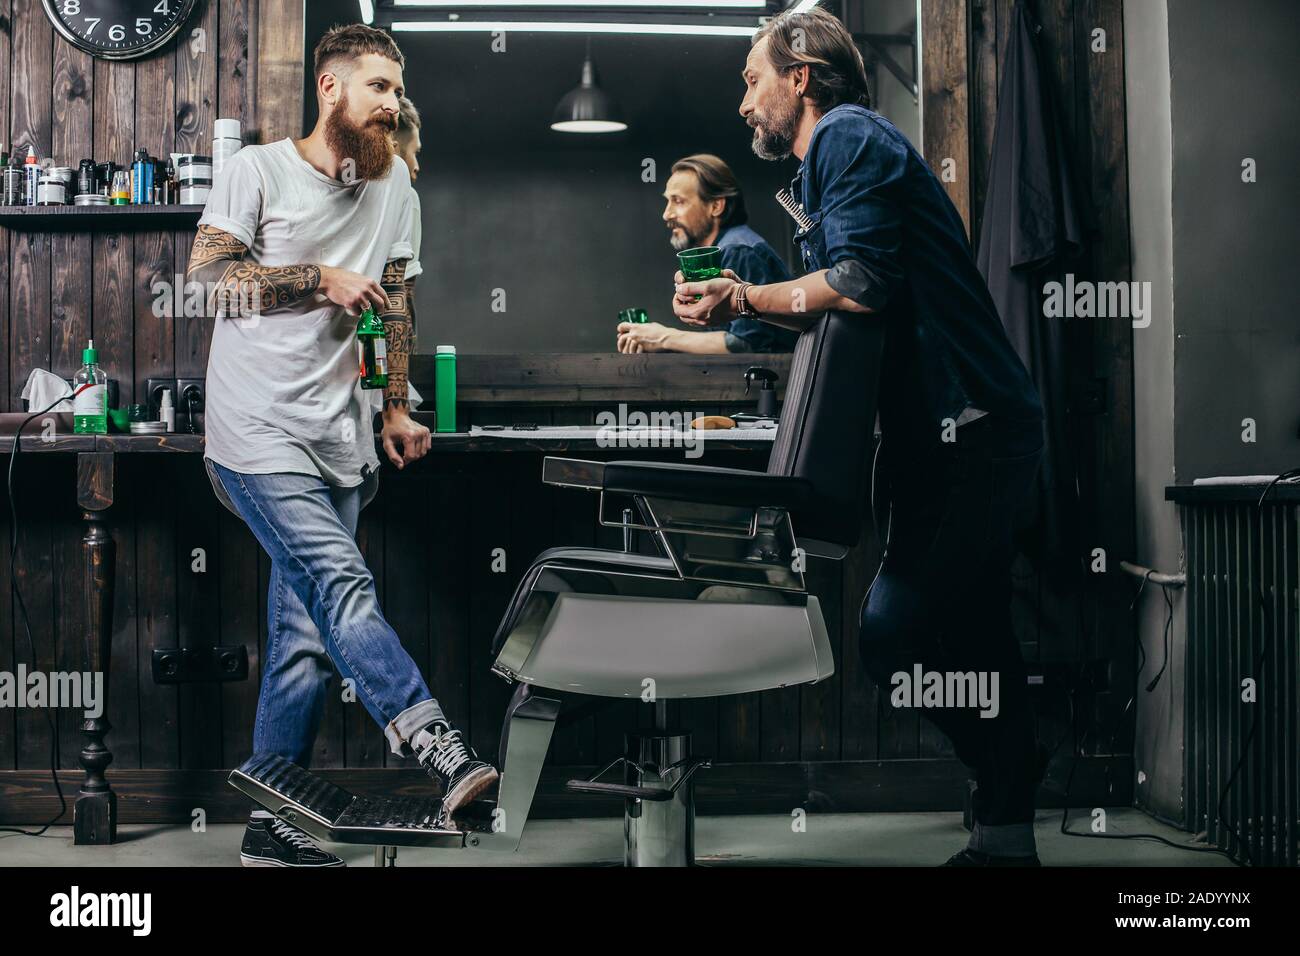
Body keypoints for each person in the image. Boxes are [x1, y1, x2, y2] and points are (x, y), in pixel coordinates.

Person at [671, 7, 1049, 866]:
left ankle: (1016, 764)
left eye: (751, 78)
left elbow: (861, 284)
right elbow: (841, 300)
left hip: (974, 424)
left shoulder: (846, 135)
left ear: (800, 75)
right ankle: (1007, 834)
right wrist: (748, 301)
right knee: (977, 631)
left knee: (895, 635)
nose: (744, 102)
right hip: (939, 431)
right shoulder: (829, 163)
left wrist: (744, 296)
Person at [188, 23, 496, 868]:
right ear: (331, 90)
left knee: (304, 643)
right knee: (340, 580)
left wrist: (396, 407)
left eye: (398, 90)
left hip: (339, 435)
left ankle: (271, 832)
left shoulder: (397, 186)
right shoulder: (257, 170)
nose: (394, 105)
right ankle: (434, 742)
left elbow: (395, 304)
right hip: (254, 433)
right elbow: (208, 283)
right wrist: (315, 277)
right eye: (380, 88)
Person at [617, 154, 796, 354]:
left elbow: (747, 344)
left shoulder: (738, 251)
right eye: (668, 201)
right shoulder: (724, 250)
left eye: (678, 201)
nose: (667, 214)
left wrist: (663, 338)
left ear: (716, 206)